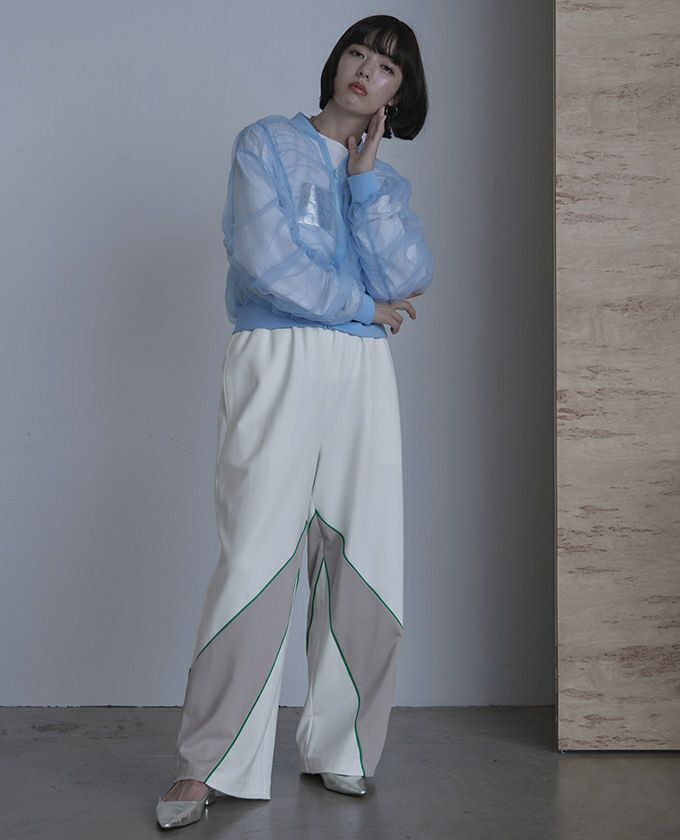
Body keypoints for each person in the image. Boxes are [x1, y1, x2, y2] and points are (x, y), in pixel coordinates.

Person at [156, 13, 434, 829]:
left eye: (386, 67)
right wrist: (362, 307)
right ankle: (205, 765)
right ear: (337, 62)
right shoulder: (266, 144)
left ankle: (343, 749)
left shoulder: (383, 185)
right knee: (256, 556)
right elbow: (266, 263)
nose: (366, 69)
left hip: (361, 373)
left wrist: (364, 182)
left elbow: (408, 274)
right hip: (276, 357)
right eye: (358, 52)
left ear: (397, 95)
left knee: (364, 552)